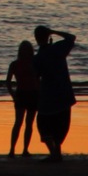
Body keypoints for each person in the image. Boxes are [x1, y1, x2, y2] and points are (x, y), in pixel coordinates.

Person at [32, 24, 76, 159]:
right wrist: (54, 32)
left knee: (44, 124)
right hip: (63, 92)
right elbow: (71, 37)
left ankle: (54, 153)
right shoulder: (57, 48)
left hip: (48, 94)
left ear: (36, 38)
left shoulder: (38, 57)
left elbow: (36, 77)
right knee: (60, 125)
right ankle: (56, 152)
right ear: (48, 36)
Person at [4, 39, 40, 156]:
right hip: (23, 94)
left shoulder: (32, 63)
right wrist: (13, 95)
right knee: (21, 123)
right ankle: (14, 149)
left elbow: (38, 80)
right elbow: (8, 82)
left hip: (30, 94)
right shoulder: (19, 64)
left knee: (26, 123)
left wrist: (13, 95)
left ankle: (22, 149)